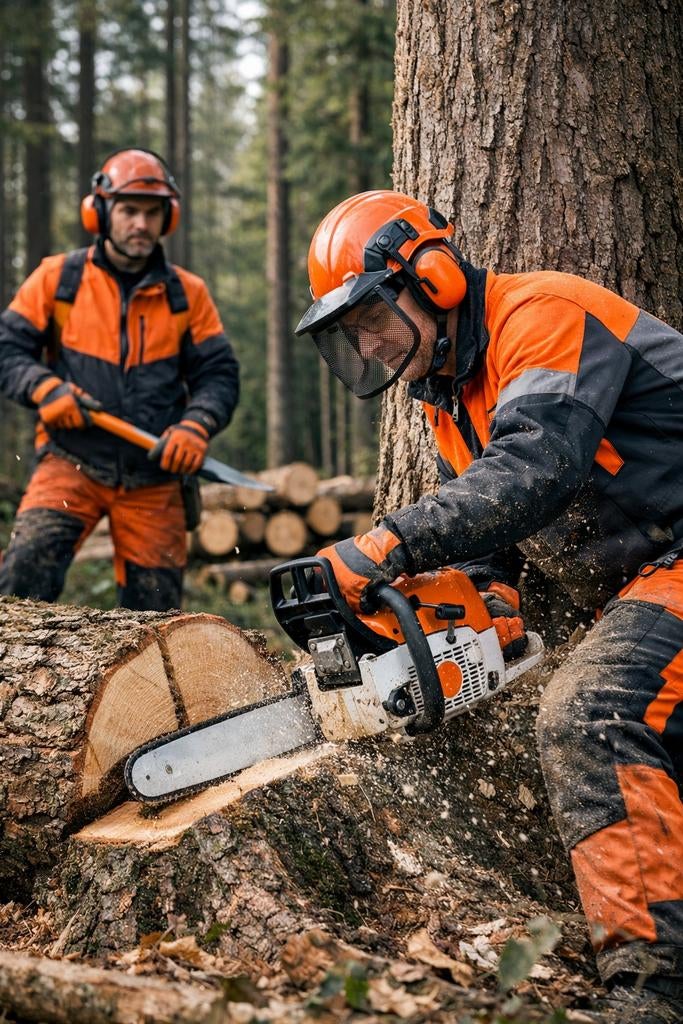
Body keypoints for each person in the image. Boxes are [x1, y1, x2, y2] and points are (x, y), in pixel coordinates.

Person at [294, 190, 683, 1024]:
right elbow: (487, 533)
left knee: (592, 712)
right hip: (652, 577)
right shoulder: (449, 397)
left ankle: (652, 995)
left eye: (370, 318)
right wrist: (486, 601)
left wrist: (384, 547)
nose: (367, 344)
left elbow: (531, 472)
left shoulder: (541, 318)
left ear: (429, 278)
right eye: (349, 336)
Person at [0, 148, 239, 611]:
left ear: (167, 219)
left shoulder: (187, 295)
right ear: (101, 211)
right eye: (129, 210)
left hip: (154, 476)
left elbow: (219, 375)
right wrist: (44, 387)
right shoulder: (58, 279)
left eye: (152, 214)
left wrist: (197, 423)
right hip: (70, 461)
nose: (141, 225)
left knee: (154, 618)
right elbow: (7, 348)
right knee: (23, 578)